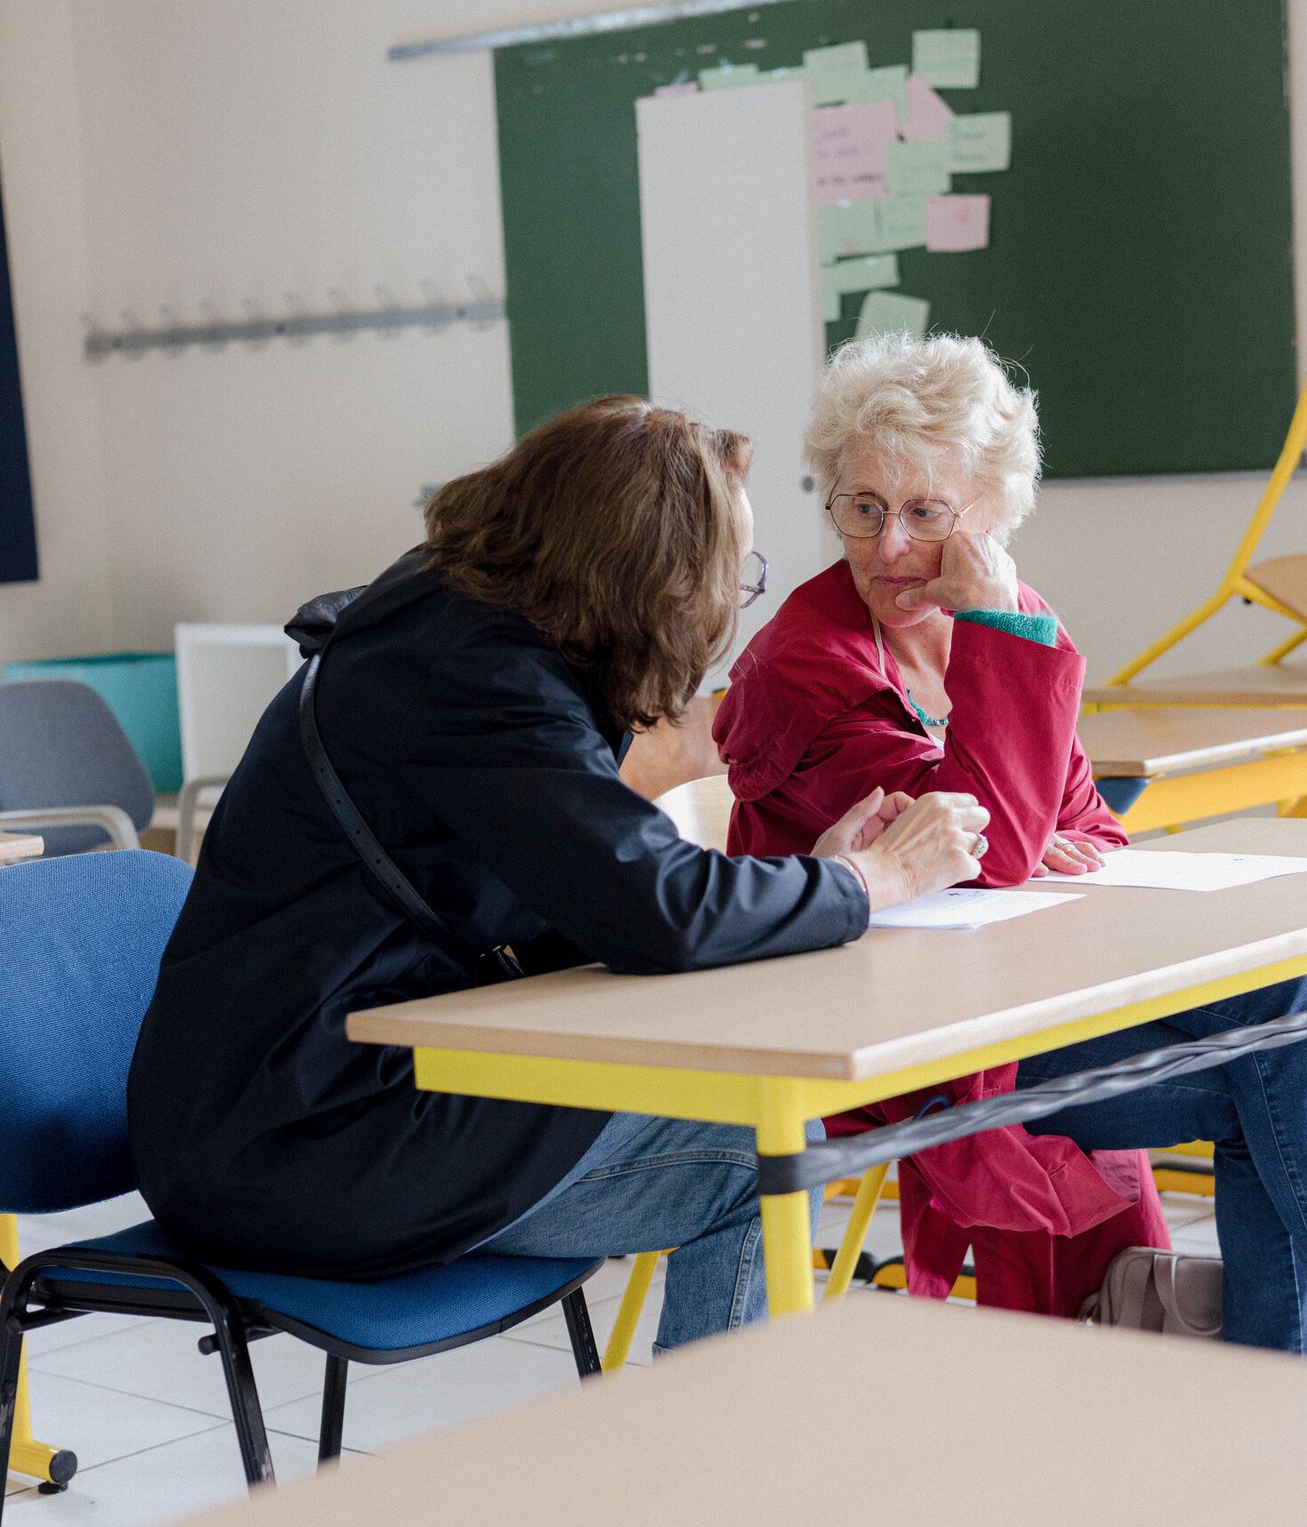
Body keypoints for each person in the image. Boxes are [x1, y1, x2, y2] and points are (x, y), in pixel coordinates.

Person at [128, 396, 986, 1352]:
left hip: (317, 1093)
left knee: (752, 1118)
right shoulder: (476, 677)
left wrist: (812, 880)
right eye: (726, 575)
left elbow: (608, 892)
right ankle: (728, 1481)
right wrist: (871, 882)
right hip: (292, 1144)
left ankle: (725, 1463)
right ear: (644, 571)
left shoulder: (466, 623)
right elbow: (656, 909)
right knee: (765, 1155)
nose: (725, 605)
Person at [715, 335, 1307, 1366]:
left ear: (990, 516)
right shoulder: (805, 665)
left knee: (1283, 1017)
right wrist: (1009, 825)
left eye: (926, 513)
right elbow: (987, 853)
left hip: (1017, 994)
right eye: (862, 508)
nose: (891, 546)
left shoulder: (995, 616)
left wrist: (1014, 821)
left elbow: (1084, 826)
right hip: (900, 1042)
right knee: (1285, 1044)